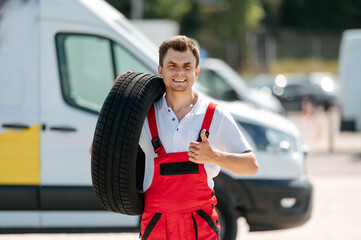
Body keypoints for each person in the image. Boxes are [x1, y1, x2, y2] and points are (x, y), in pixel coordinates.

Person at [90, 35, 258, 240]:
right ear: (160, 70)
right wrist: (117, 103)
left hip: (200, 224)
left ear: (196, 72)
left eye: (187, 66)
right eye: (172, 65)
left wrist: (214, 157)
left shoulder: (215, 115)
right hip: (156, 225)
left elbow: (251, 165)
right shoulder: (143, 114)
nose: (180, 72)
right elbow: (99, 153)